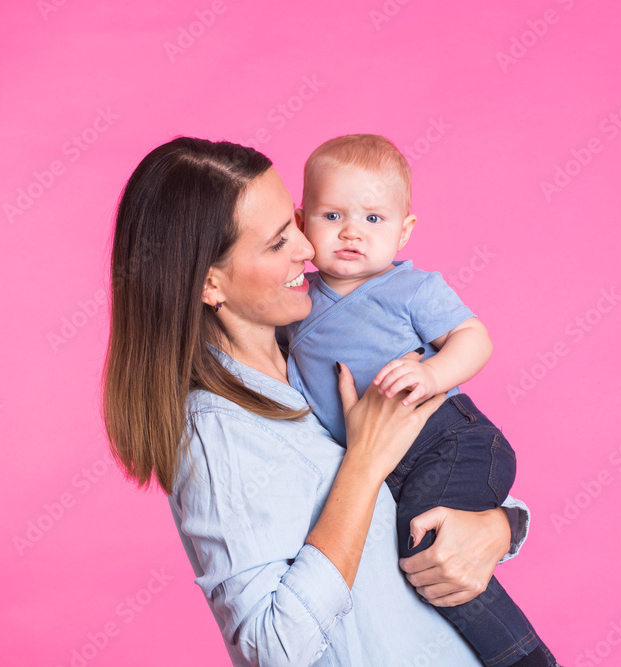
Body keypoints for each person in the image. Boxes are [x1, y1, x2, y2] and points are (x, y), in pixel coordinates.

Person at [101, 136, 560, 666]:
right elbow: (274, 649)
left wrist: (500, 527)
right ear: (210, 284)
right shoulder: (215, 434)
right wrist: (363, 466)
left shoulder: (309, 354)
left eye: (296, 225)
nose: (306, 247)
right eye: (278, 242)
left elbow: (417, 500)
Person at [280, 134, 553, 666]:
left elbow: (475, 338)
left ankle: (525, 657)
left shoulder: (412, 289)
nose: (352, 232)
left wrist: (431, 373)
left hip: (451, 439)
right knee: (411, 555)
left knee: (426, 543)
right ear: (302, 222)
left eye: (374, 219)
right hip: (387, 463)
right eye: (332, 216)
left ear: (404, 230)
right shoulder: (297, 299)